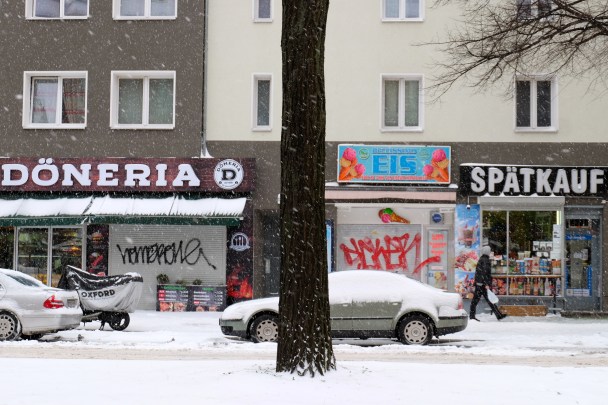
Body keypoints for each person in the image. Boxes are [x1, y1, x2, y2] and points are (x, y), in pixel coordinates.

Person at [469, 245, 507, 321]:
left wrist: (479, 282)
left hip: (480, 283)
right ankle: (498, 315)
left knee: (477, 301)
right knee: (485, 300)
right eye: (489, 251)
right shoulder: (485, 260)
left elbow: (480, 272)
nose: (490, 252)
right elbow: (485, 273)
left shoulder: (482, 259)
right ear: (487, 252)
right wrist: (486, 284)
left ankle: (498, 315)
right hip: (482, 285)